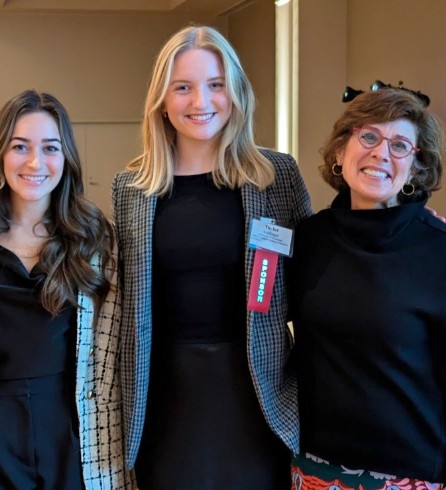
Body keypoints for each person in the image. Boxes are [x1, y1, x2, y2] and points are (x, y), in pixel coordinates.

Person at [286, 88, 446, 490]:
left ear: (413, 169)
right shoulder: (307, 240)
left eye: (399, 145)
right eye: (369, 137)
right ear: (340, 153)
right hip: (311, 463)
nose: (381, 153)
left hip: (406, 473)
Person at [112, 25, 311, 488]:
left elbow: (319, 269)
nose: (201, 102)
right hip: (165, 394)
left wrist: (390, 225)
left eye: (216, 85)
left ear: (236, 92)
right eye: (183, 87)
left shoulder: (276, 176)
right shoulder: (133, 188)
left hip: (256, 391)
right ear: (162, 99)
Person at [0, 90, 130, 489]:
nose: (35, 162)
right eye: (20, 147)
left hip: (70, 422)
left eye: (50, 148)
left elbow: (110, 343)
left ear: (66, 157)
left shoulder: (96, 239)